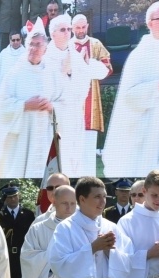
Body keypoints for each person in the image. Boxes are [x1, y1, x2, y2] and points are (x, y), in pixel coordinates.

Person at [101, 2, 159, 178]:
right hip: (147, 134)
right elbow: (129, 97)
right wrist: (158, 87)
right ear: (150, 23)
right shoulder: (139, 56)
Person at [0, 28, 65, 181]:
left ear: (45, 49)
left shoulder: (53, 74)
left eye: (38, 45)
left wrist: (51, 106)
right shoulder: (14, 74)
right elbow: (1, 106)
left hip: (45, 137)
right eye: (31, 44)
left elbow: (65, 103)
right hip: (21, 140)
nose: (33, 48)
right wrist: (24, 105)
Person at [43, 14, 109, 178]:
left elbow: (93, 78)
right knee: (58, 161)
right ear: (53, 33)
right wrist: (64, 74)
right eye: (62, 30)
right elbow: (46, 90)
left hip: (74, 115)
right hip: (55, 117)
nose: (67, 32)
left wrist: (78, 68)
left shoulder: (74, 54)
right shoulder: (46, 57)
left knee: (76, 159)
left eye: (68, 29)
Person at [71, 14, 112, 176]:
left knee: (88, 151)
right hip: (72, 104)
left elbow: (107, 69)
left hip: (90, 104)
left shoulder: (95, 44)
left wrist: (89, 64)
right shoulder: (67, 46)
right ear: (72, 28)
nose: (81, 31)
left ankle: (89, 180)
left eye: (83, 27)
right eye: (77, 27)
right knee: (71, 152)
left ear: (87, 26)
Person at [0, 30, 25, 142]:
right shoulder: (4, 55)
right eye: (13, 40)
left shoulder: (26, 54)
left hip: (21, 97)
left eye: (18, 40)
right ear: (9, 41)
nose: (15, 42)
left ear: (21, 40)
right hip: (6, 98)